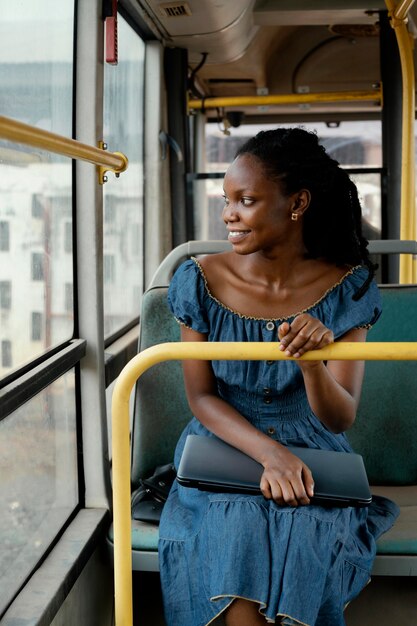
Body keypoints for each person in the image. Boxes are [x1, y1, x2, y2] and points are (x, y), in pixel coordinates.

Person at [158, 127, 399, 626]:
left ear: (297, 204)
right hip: (224, 446)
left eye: (245, 200)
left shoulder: (347, 287)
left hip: (312, 449)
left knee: (303, 533)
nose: (229, 214)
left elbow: (339, 416)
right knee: (237, 528)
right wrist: (270, 455)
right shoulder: (199, 280)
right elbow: (201, 397)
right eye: (226, 200)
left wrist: (312, 365)